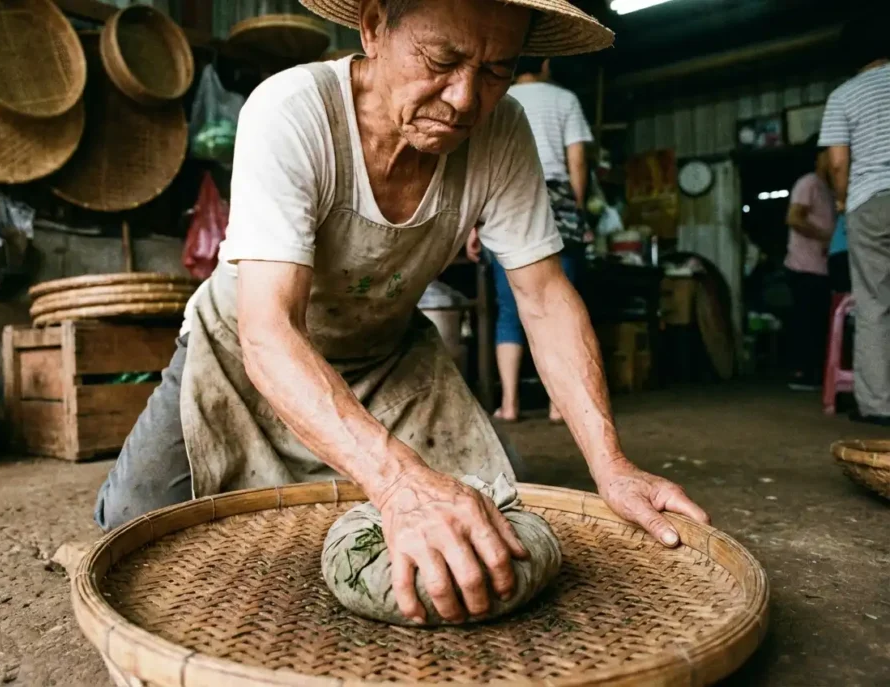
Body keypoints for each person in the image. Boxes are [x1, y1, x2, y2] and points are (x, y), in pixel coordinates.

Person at [96, 0, 708, 626]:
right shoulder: (292, 111)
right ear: (373, 28)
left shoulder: (504, 131)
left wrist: (611, 465)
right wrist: (397, 483)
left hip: (388, 357)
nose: (466, 99)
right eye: (442, 60)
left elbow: (545, 296)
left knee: (499, 503)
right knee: (134, 525)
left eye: (497, 71)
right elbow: (269, 331)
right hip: (244, 353)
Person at [465, 55, 593, 422]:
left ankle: (509, 403)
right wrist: (576, 208)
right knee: (557, 304)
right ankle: (559, 405)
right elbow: (578, 159)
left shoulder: (494, 98)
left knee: (509, 309)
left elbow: (475, 163)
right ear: (547, 63)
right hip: (555, 199)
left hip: (503, 197)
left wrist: (473, 224)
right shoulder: (564, 99)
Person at [819, 16, 890, 426]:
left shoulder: (844, 95)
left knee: (874, 304)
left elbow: (839, 161)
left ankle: (879, 405)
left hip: (870, 202)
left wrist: (844, 200)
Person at [784, 135, 835, 390]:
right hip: (803, 267)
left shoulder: (829, 189)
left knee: (818, 324)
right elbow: (794, 218)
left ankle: (814, 374)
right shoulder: (809, 183)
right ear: (819, 157)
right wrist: (826, 235)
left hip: (821, 269)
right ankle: (801, 375)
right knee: (806, 323)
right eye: (831, 152)